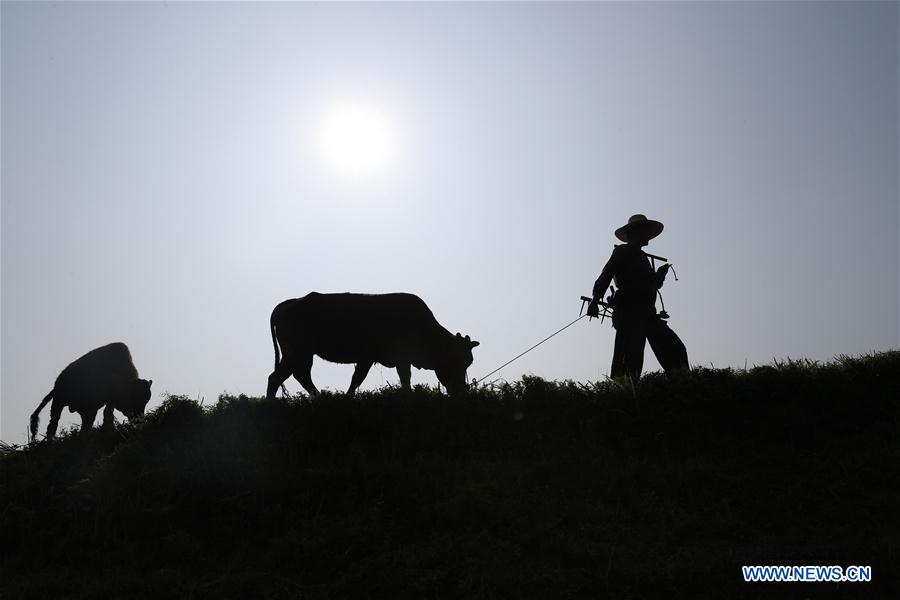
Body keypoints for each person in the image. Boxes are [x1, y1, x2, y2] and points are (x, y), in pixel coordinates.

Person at [587, 214, 672, 379]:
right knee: (630, 355)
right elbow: (607, 274)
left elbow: (649, 284)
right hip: (629, 311)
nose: (648, 235)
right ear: (635, 232)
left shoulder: (641, 257)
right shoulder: (623, 251)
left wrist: (659, 276)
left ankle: (681, 379)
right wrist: (595, 301)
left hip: (647, 312)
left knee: (673, 348)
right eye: (645, 231)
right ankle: (624, 388)